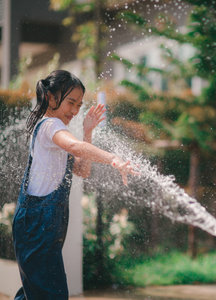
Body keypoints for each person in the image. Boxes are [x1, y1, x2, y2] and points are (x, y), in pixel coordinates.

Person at [12, 70, 139, 300]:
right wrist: (113, 158)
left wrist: (87, 131)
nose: (74, 110)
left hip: (43, 227)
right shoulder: (50, 126)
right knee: (51, 294)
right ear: (51, 98)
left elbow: (83, 170)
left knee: (35, 293)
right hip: (37, 226)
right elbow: (75, 147)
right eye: (71, 102)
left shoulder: (57, 130)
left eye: (79, 105)